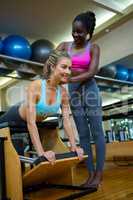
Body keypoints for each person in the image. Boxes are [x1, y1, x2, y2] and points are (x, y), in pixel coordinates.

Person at [0, 50, 84, 164]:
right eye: (64, 67)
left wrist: (74, 147)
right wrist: (41, 153)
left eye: (69, 68)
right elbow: (31, 123)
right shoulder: (36, 86)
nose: (68, 71)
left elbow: (67, 122)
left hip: (34, 121)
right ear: (53, 67)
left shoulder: (63, 93)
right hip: (15, 115)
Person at [56, 11, 105, 188]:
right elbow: (52, 63)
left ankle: (99, 174)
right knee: (82, 134)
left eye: (80, 32)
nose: (76, 35)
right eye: (74, 31)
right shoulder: (64, 46)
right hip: (74, 93)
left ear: (88, 33)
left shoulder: (93, 47)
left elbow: (92, 71)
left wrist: (69, 79)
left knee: (97, 132)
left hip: (90, 90)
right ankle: (90, 173)